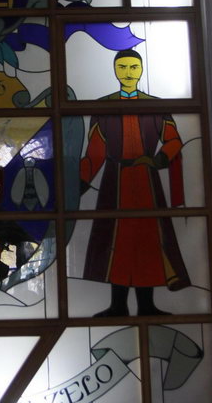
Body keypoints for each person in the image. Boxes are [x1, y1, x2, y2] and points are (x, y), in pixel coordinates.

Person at [80, 49, 190, 316]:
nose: (128, 73)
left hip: (147, 180)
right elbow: (95, 152)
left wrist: (157, 159)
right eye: (122, 67)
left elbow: (173, 140)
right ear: (115, 71)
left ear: (141, 70)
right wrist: (79, 184)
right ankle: (117, 306)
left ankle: (147, 306)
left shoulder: (155, 105)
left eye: (133, 67)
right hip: (114, 182)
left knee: (149, 240)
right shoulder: (102, 107)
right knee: (116, 242)